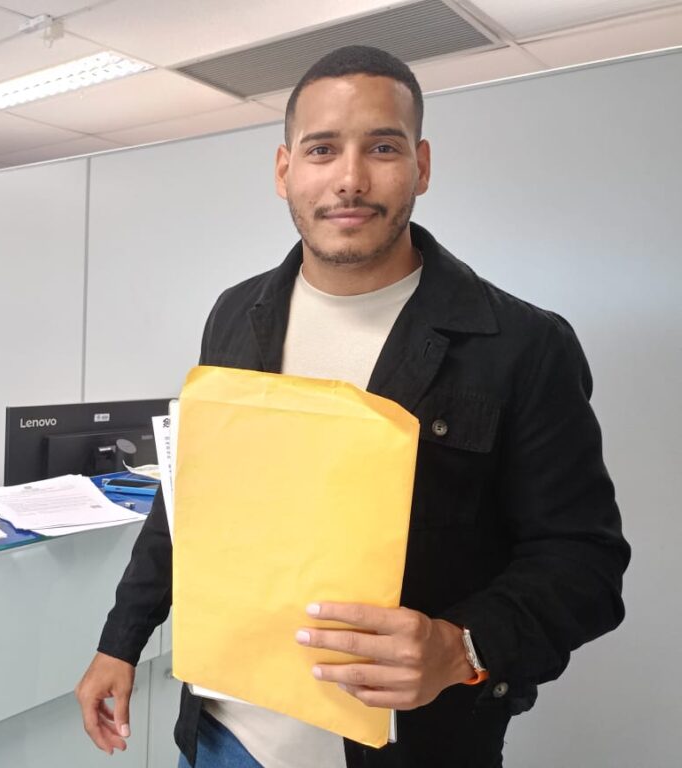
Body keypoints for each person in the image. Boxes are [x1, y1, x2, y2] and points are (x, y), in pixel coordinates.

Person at [75, 45, 630, 768]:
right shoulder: (236, 315)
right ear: (285, 171)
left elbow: (584, 562)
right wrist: (121, 638)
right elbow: (191, 500)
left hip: (405, 748)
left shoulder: (522, 345)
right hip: (222, 734)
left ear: (422, 165)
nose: (349, 178)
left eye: (383, 147)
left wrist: (463, 645)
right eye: (322, 149)